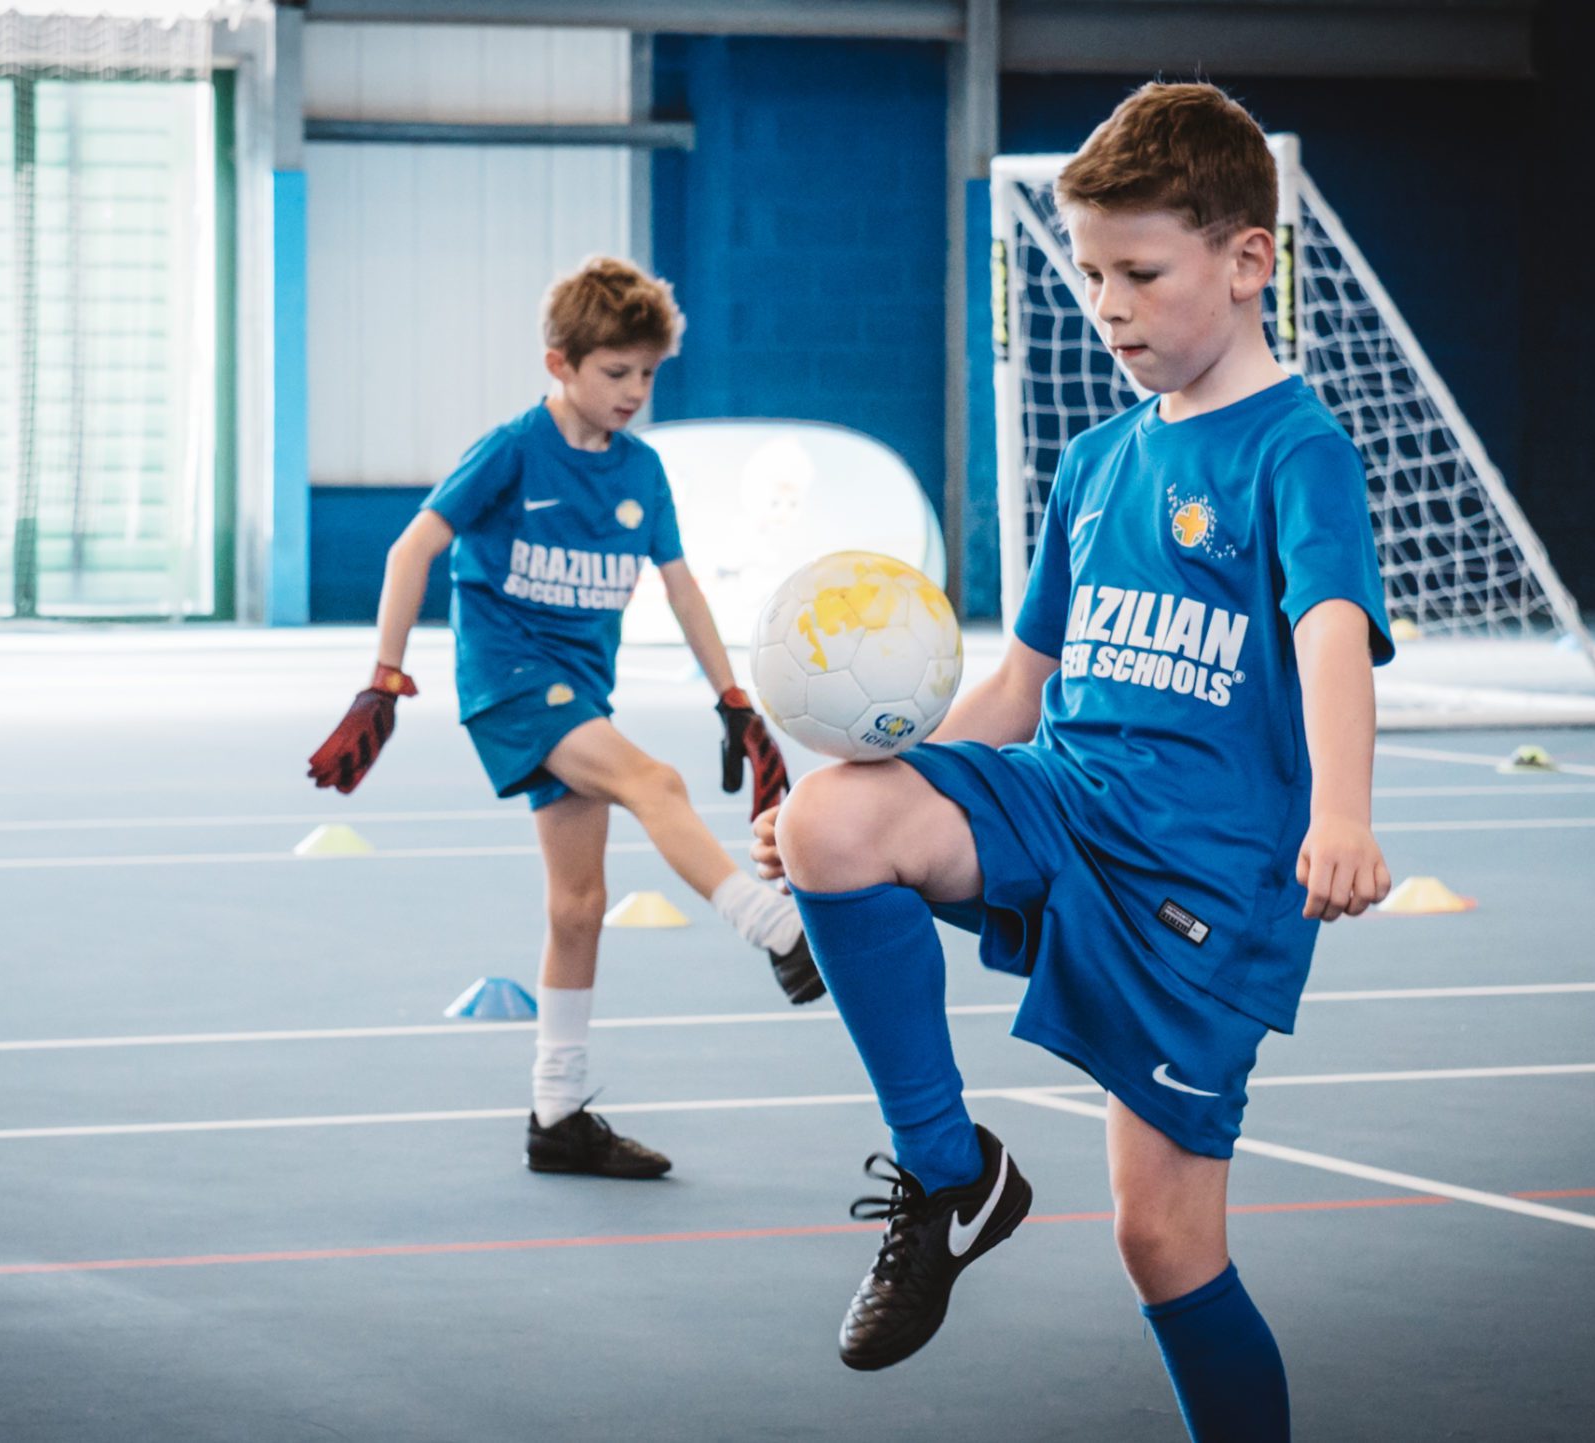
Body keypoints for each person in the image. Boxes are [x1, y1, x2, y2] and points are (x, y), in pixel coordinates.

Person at [753, 83, 1393, 1439]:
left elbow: (1334, 631)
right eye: (1092, 272)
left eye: (1140, 272)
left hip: (1202, 882)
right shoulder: (1098, 461)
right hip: (1067, 797)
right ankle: (952, 1179)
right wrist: (887, 779)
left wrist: (1344, 807)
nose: (1107, 302)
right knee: (830, 827)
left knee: (1163, 1242)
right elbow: (1017, 686)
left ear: (1246, 259)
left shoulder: (1299, 452)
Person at [309, 256, 817, 1182]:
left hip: (579, 688)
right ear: (560, 364)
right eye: (613, 372)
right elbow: (414, 542)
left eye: (647, 374)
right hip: (510, 681)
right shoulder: (511, 450)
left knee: (578, 906)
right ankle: (775, 930)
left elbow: (682, 585)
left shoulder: (643, 471)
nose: (633, 391)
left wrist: (731, 692)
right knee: (652, 781)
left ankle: (558, 1111)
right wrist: (383, 677)